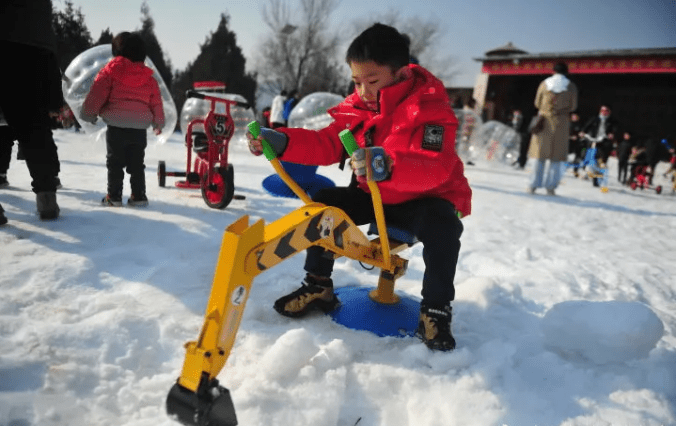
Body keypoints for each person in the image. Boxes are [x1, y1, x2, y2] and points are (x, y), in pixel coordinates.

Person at [246, 23, 471, 352]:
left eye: (373, 81)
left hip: (423, 198)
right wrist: (282, 141)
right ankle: (318, 285)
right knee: (326, 204)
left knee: (443, 227)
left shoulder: (430, 110)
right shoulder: (361, 108)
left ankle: (436, 311)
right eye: (356, 82)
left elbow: (434, 167)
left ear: (400, 72)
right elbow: (326, 143)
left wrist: (389, 164)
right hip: (373, 194)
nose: (363, 91)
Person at [80, 31, 164, 207]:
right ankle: (139, 195)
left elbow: (98, 93)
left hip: (116, 125)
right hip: (139, 128)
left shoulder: (110, 72)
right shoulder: (149, 78)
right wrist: (158, 121)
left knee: (115, 162)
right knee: (136, 163)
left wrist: (89, 113)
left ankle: (114, 196)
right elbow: (156, 101)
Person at [0, 0, 64, 220]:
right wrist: (54, 98)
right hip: (33, 51)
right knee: (35, 131)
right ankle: (47, 197)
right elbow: (48, 55)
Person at [527, 62, 578, 195]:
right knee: (556, 157)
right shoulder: (571, 86)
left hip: (544, 121)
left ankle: (533, 185)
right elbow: (573, 106)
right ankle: (551, 187)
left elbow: (537, 103)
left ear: (553, 71)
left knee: (539, 155)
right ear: (566, 72)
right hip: (561, 123)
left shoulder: (544, 84)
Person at [568, 111, 584, 176]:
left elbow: (581, 133)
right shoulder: (567, 124)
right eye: (573, 116)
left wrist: (581, 135)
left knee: (579, 154)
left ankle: (575, 170)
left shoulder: (580, 125)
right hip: (567, 142)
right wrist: (570, 137)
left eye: (576, 116)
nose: (574, 117)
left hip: (577, 143)